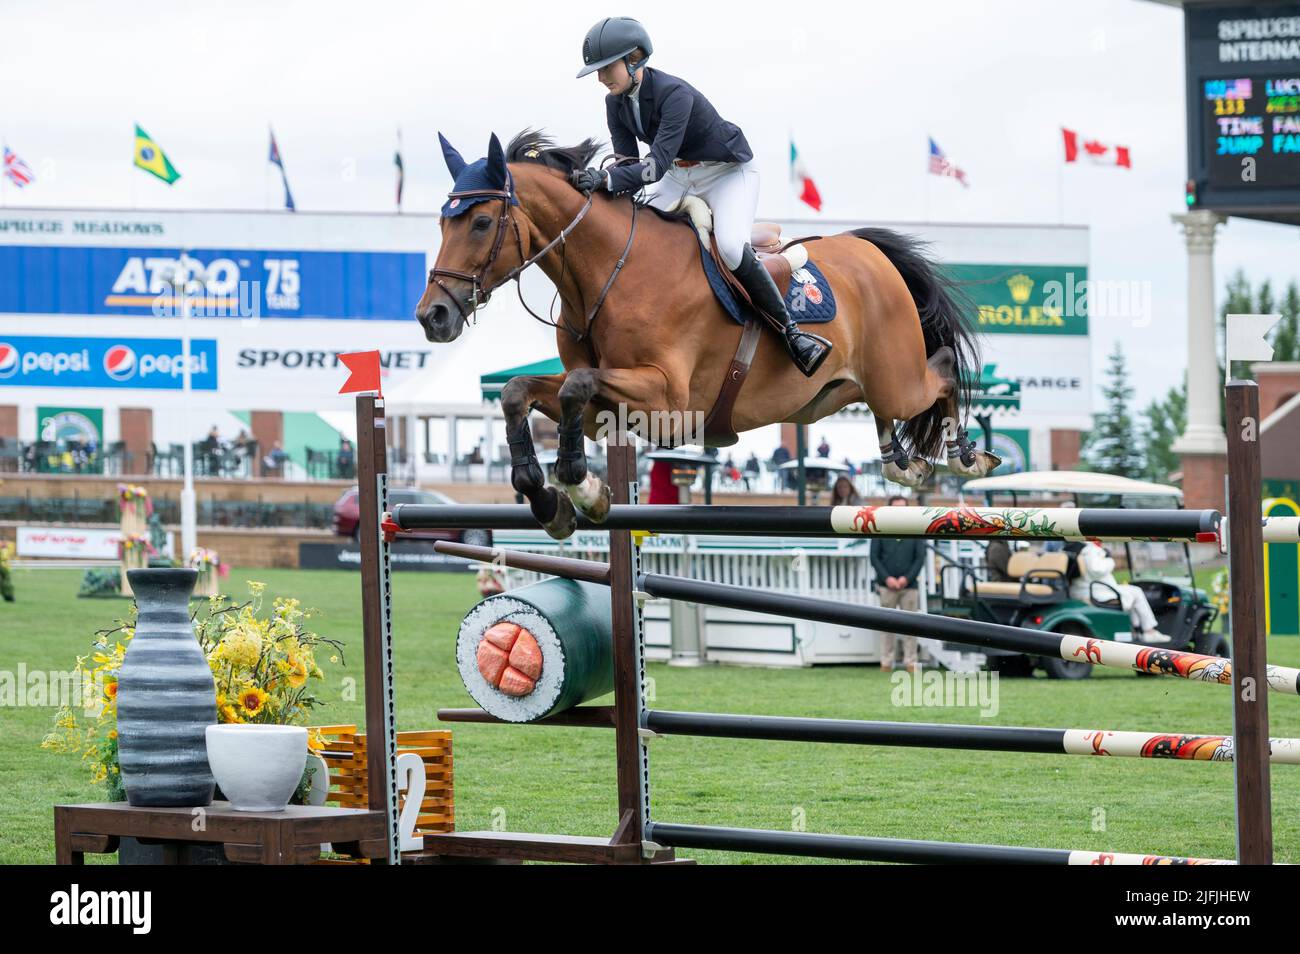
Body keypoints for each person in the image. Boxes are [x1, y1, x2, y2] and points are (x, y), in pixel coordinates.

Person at [573, 17, 831, 376]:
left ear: (634, 58)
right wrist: (599, 184)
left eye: (606, 67)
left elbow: (653, 168)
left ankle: (792, 333)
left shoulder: (673, 94)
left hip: (726, 172)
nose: (601, 78)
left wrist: (605, 179)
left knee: (728, 246)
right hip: (680, 175)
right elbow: (629, 167)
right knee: (633, 233)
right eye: (597, 70)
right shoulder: (614, 103)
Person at [1069, 540, 1170, 643]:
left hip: (1084, 590)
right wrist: (1109, 559)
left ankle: (1136, 631)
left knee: (1131, 593)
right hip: (1097, 592)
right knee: (1136, 591)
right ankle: (1149, 631)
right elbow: (1097, 569)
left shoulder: (1075, 547)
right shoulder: (1090, 550)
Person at [871, 496, 926, 672]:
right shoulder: (879, 528)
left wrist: (906, 578)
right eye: (895, 508)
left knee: (911, 626)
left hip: (909, 586)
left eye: (902, 508)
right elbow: (874, 557)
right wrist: (887, 578)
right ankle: (886, 662)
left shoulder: (915, 529)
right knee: (886, 626)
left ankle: (911, 662)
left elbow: (920, 557)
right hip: (886, 585)